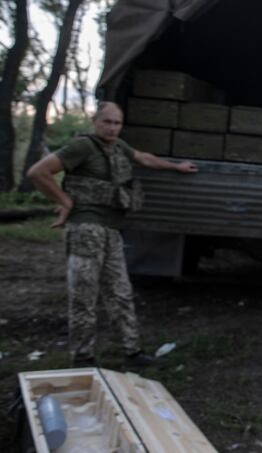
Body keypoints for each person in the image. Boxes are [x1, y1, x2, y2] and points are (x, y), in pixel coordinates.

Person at [26, 101, 198, 368]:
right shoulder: (82, 147)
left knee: (120, 292)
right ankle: (83, 358)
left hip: (111, 229)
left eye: (117, 123)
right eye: (107, 122)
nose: (112, 128)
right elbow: (38, 172)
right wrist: (64, 201)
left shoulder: (118, 147)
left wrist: (176, 167)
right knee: (84, 295)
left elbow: (143, 158)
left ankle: (133, 353)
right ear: (95, 121)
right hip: (85, 229)